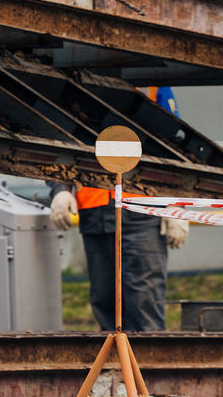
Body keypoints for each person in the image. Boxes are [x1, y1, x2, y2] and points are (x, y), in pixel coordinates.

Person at [48, 87, 189, 332]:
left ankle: (148, 366)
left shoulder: (154, 87)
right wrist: (59, 189)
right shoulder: (75, 82)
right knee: (105, 301)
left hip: (143, 209)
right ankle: (115, 368)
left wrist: (176, 204)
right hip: (96, 209)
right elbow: (63, 141)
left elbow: (174, 148)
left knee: (144, 301)